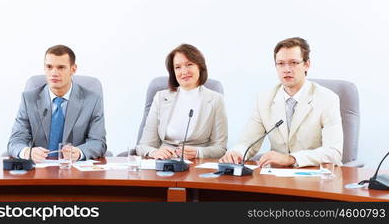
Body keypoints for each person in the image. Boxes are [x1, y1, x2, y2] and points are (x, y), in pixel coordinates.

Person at [220, 37, 343, 167]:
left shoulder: (327, 99)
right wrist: (236, 152)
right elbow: (248, 142)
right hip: (277, 175)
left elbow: (333, 152)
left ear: (307, 64)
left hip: (316, 175)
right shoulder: (264, 99)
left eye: (293, 63)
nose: (286, 69)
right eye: (281, 63)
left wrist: (291, 159)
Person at [7, 45, 107, 162]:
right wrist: (27, 152)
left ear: (73, 69)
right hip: (39, 172)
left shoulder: (92, 100)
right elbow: (15, 141)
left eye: (61, 67)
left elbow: (98, 142)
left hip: (74, 171)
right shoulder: (29, 99)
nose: (54, 73)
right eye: (49, 67)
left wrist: (79, 153)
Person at [136, 44, 228, 159]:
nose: (184, 71)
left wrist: (198, 152)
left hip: (197, 165)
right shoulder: (161, 97)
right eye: (178, 67)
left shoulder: (215, 100)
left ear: (200, 67)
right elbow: (143, 146)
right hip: (164, 165)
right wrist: (155, 152)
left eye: (189, 64)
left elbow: (220, 148)